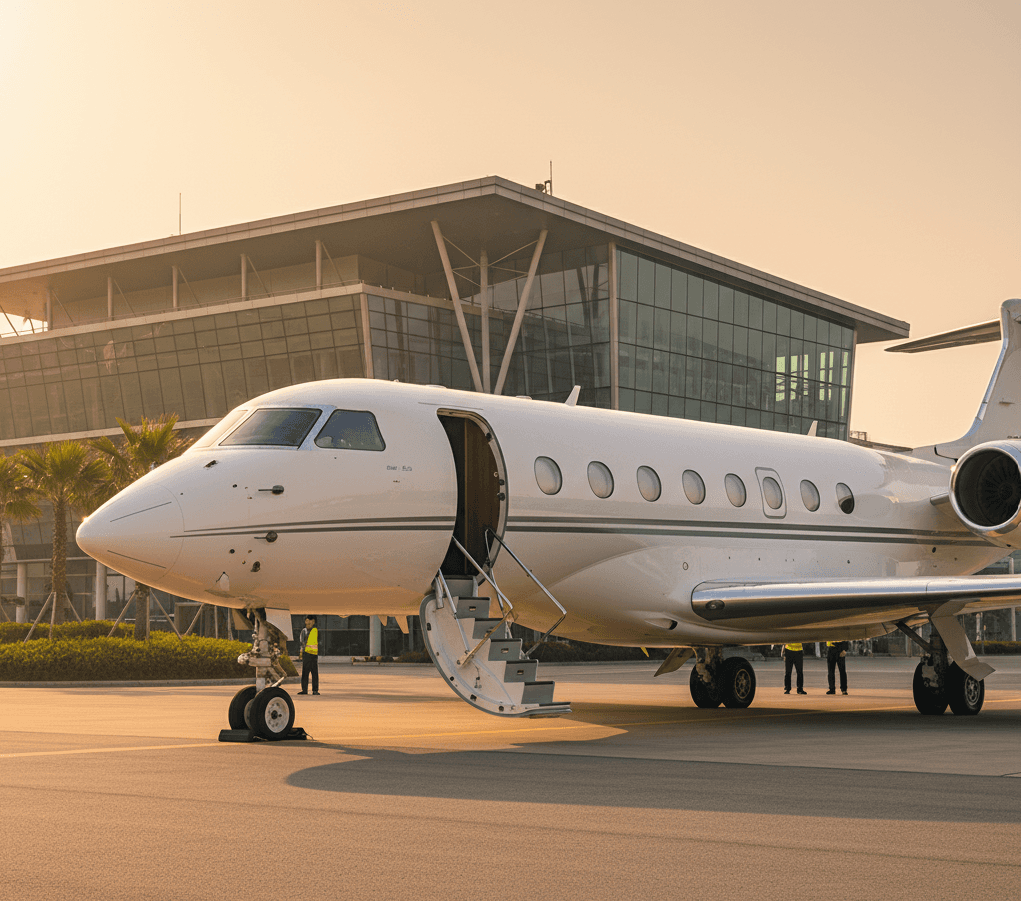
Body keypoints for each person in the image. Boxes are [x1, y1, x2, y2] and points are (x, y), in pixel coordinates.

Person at [298, 615, 320, 695]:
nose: (308, 623)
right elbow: (302, 642)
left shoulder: (315, 630)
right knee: (305, 673)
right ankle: (304, 690)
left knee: (314, 673)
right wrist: (301, 652)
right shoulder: (304, 631)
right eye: (307, 621)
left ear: (313, 622)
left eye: (310, 621)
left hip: (313, 655)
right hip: (307, 654)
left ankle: (315, 690)